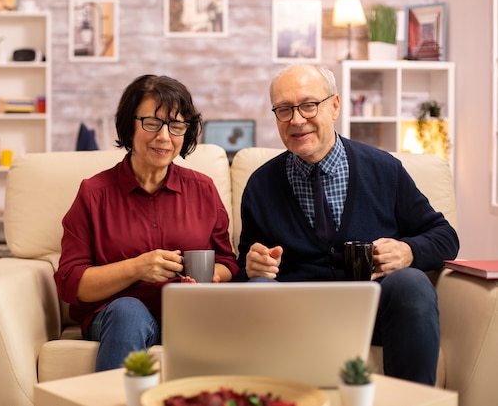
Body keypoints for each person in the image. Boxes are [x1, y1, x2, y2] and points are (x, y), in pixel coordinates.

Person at [235, 64, 459, 386]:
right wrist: (252, 268)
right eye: (284, 110)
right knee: (258, 291)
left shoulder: (383, 170)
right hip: (293, 316)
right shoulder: (260, 185)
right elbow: (245, 267)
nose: (297, 120)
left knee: (411, 283)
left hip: (373, 313)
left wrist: (409, 251)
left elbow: (445, 237)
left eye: (309, 105)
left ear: (335, 106)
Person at [55, 74, 239, 372]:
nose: (164, 137)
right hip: (115, 317)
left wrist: (208, 279)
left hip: (188, 314)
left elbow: (228, 263)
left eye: (176, 125)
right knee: (129, 311)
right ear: (130, 125)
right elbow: (70, 284)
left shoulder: (203, 189)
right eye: (152, 123)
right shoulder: (94, 193)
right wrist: (137, 268)